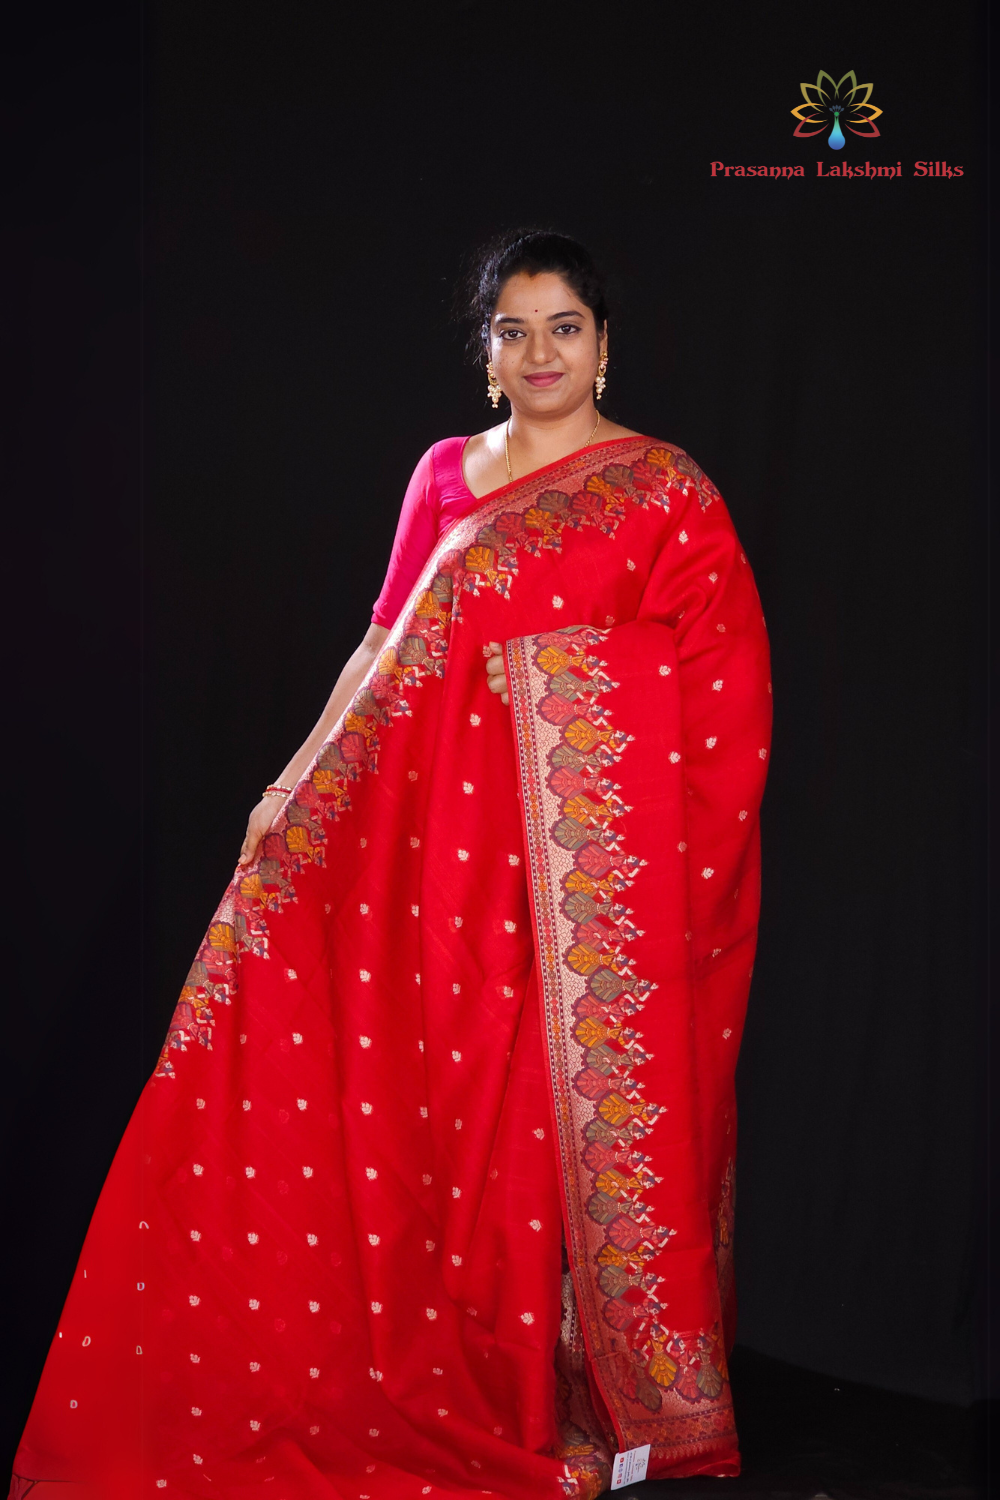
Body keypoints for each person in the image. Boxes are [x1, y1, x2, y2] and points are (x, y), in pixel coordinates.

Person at [10, 230, 772, 1499]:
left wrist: (558, 695)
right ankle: (416, 1364)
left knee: (536, 1113)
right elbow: (379, 647)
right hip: (430, 854)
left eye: (564, 328)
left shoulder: (665, 492)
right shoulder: (443, 474)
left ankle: (554, 1389)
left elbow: (722, 683)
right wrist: (289, 785)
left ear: (603, 344)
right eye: (513, 331)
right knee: (423, 1106)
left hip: (577, 884)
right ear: (486, 351)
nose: (539, 353)